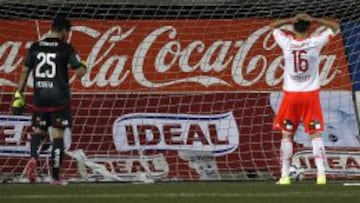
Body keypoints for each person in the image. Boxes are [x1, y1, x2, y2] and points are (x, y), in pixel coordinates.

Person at [11, 16, 87, 185]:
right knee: (58, 136)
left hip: (40, 97)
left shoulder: (35, 47)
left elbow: (24, 72)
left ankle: (33, 158)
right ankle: (55, 177)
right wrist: (84, 64)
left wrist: (18, 95)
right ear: (64, 31)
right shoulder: (65, 48)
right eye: (68, 33)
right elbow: (80, 72)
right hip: (59, 99)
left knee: (39, 131)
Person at [270, 13, 339, 185]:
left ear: (294, 28)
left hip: (291, 97)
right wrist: (315, 20)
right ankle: (321, 175)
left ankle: (284, 176)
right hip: (310, 97)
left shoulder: (287, 43)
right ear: (309, 28)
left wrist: (288, 20)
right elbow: (335, 27)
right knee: (315, 134)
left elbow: (273, 27)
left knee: (287, 135)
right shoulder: (315, 42)